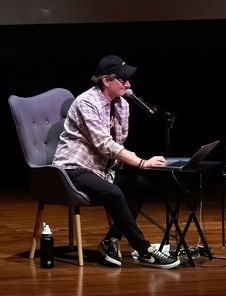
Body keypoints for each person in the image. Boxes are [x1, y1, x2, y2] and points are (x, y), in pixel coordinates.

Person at [52, 55, 181, 269]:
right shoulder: (86, 103)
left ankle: (111, 240)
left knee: (140, 185)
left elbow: (118, 143)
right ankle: (143, 248)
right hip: (74, 167)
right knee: (114, 193)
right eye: (122, 80)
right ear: (105, 80)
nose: (128, 84)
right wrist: (141, 162)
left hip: (102, 170)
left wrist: (142, 165)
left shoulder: (123, 105)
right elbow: (105, 144)